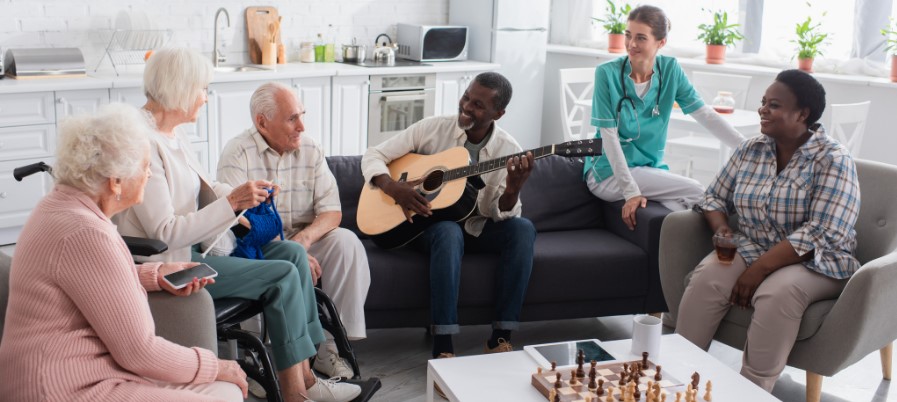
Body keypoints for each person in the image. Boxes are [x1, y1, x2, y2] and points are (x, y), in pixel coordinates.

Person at [113, 47, 360, 402]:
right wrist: (232, 204)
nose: (205, 98)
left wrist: (245, 198)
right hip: (170, 266)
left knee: (290, 252)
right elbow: (165, 234)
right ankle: (297, 392)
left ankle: (305, 374)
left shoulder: (172, 134)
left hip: (196, 248)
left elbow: (205, 190)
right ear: (179, 89)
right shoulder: (144, 144)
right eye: (202, 89)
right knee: (283, 274)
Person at [0, 103, 247, 401]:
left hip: (66, 370)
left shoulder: (58, 207)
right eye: (146, 168)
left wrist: (154, 275)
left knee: (226, 392)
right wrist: (216, 365)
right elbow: (140, 352)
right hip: (64, 387)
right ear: (116, 181)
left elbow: (88, 277)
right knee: (225, 388)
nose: (148, 176)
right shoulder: (87, 232)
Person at [675, 69, 860, 392]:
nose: (763, 110)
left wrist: (758, 270)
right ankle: (677, 378)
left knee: (777, 293)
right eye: (763, 103)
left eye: (773, 105)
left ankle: (753, 392)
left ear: (802, 114)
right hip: (751, 246)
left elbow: (822, 232)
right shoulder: (751, 149)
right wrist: (722, 231)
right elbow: (714, 196)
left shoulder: (833, 159)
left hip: (816, 260)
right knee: (708, 277)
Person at [361, 72, 537, 360]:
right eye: (466, 96)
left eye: (478, 105)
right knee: (447, 230)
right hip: (427, 227)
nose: (467, 107)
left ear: (499, 113)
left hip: (477, 227)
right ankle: (443, 345)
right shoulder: (433, 128)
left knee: (523, 228)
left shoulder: (509, 151)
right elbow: (373, 154)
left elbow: (504, 213)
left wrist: (514, 189)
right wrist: (393, 187)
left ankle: (501, 338)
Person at [217, 81, 371, 379]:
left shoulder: (310, 149)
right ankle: (257, 361)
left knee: (346, 242)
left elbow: (332, 211)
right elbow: (241, 221)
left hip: (306, 236)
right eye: (292, 118)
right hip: (259, 242)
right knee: (260, 256)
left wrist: (302, 242)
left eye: (302, 114)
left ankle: (328, 348)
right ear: (262, 123)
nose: (302, 125)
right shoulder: (237, 154)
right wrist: (290, 248)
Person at [584, 5, 745, 231]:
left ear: (660, 43)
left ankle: (685, 254)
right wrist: (631, 192)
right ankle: (729, 239)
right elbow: (608, 137)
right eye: (628, 35)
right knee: (699, 191)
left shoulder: (670, 70)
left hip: (648, 168)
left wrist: (747, 148)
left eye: (641, 38)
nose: (631, 44)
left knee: (683, 207)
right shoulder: (607, 73)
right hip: (607, 174)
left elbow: (705, 114)